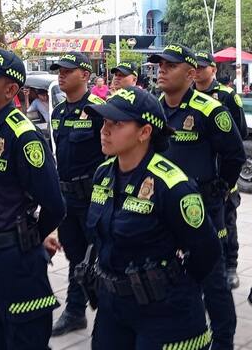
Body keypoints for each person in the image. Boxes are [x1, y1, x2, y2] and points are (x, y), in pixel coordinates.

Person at [83, 86, 221, 349]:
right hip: (113, 306)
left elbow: (207, 251)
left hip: (165, 312)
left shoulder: (172, 185)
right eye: (104, 121)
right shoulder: (103, 175)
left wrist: (168, 282)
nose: (105, 129)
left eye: (117, 123)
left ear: (144, 132)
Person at [0, 48, 65, 349]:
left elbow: (55, 205)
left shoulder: (23, 137)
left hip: (13, 261)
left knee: (24, 338)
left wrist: (32, 239)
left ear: (10, 90)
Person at [148, 44, 246, 350]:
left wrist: (222, 188)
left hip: (203, 208)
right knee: (169, 274)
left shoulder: (211, 110)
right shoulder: (151, 108)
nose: (161, 69)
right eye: (159, 64)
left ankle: (223, 341)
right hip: (162, 210)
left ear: (191, 73)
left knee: (213, 280)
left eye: (170, 65)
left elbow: (235, 155)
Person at [48, 52, 105, 336]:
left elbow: (111, 155)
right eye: (59, 70)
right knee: (75, 256)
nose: (61, 74)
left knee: (101, 257)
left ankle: (108, 314)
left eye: (68, 70)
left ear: (84, 74)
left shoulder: (99, 109)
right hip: (68, 198)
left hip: (94, 198)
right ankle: (75, 312)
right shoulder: (58, 113)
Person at [193, 51, 247, 289]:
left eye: (203, 67)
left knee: (227, 222)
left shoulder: (226, 96)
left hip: (222, 175)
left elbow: (240, 134)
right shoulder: (186, 96)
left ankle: (230, 265)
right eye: (194, 66)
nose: (197, 70)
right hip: (197, 177)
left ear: (213, 69)